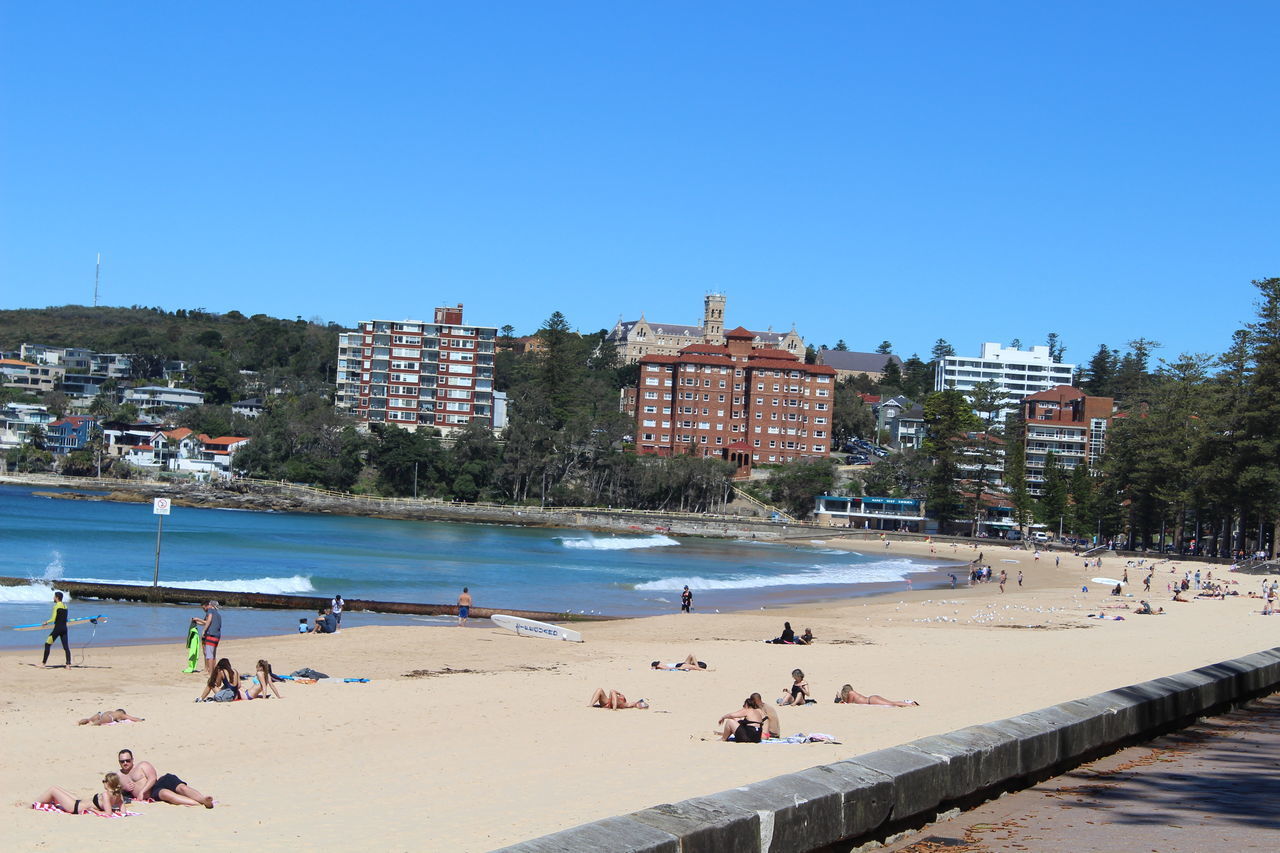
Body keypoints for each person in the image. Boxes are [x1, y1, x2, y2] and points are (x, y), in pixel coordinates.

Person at [116, 749, 214, 807]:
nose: (125, 763)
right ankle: (197, 804)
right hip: (154, 793)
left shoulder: (142, 765)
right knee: (166, 794)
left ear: (132, 760)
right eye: (122, 761)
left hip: (158, 783)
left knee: (182, 788)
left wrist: (142, 792)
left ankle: (203, 799)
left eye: (127, 760)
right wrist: (123, 789)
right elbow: (113, 789)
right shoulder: (119, 776)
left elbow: (152, 778)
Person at [34, 772, 124, 815]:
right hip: (78, 802)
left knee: (53, 789)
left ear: (108, 783)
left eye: (104, 781)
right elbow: (123, 811)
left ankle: (33, 804)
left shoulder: (105, 795)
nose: (103, 782)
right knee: (58, 788)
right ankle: (39, 802)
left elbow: (108, 814)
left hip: (75, 807)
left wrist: (94, 811)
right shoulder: (118, 794)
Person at [40, 590, 71, 668]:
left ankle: (43, 663)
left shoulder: (56, 606)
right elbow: (65, 618)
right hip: (64, 628)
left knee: (47, 644)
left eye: (54, 596)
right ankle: (68, 664)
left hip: (58, 629)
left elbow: (53, 619)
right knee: (66, 647)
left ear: (57, 598)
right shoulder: (65, 606)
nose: (53, 598)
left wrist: (46, 622)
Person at [190, 600, 222, 676]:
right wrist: (196, 622)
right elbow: (207, 622)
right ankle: (213, 671)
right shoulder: (217, 614)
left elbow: (209, 620)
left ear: (207, 605)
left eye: (203, 608)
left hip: (211, 634)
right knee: (213, 655)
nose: (203, 609)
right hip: (217, 635)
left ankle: (211, 673)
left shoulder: (210, 610)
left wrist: (204, 630)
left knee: (209, 655)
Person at [834, 683, 919, 707]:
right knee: (891, 702)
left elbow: (847, 703)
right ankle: (908, 703)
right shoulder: (852, 693)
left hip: (871, 700)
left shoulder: (851, 693)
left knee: (891, 704)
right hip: (871, 699)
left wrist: (839, 699)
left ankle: (910, 704)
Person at [78, 708, 144, 726]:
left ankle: (80, 722)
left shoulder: (111, 711)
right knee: (99, 722)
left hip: (101, 714)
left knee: (88, 719)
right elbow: (132, 718)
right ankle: (93, 725)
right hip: (109, 717)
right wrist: (140, 719)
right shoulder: (120, 714)